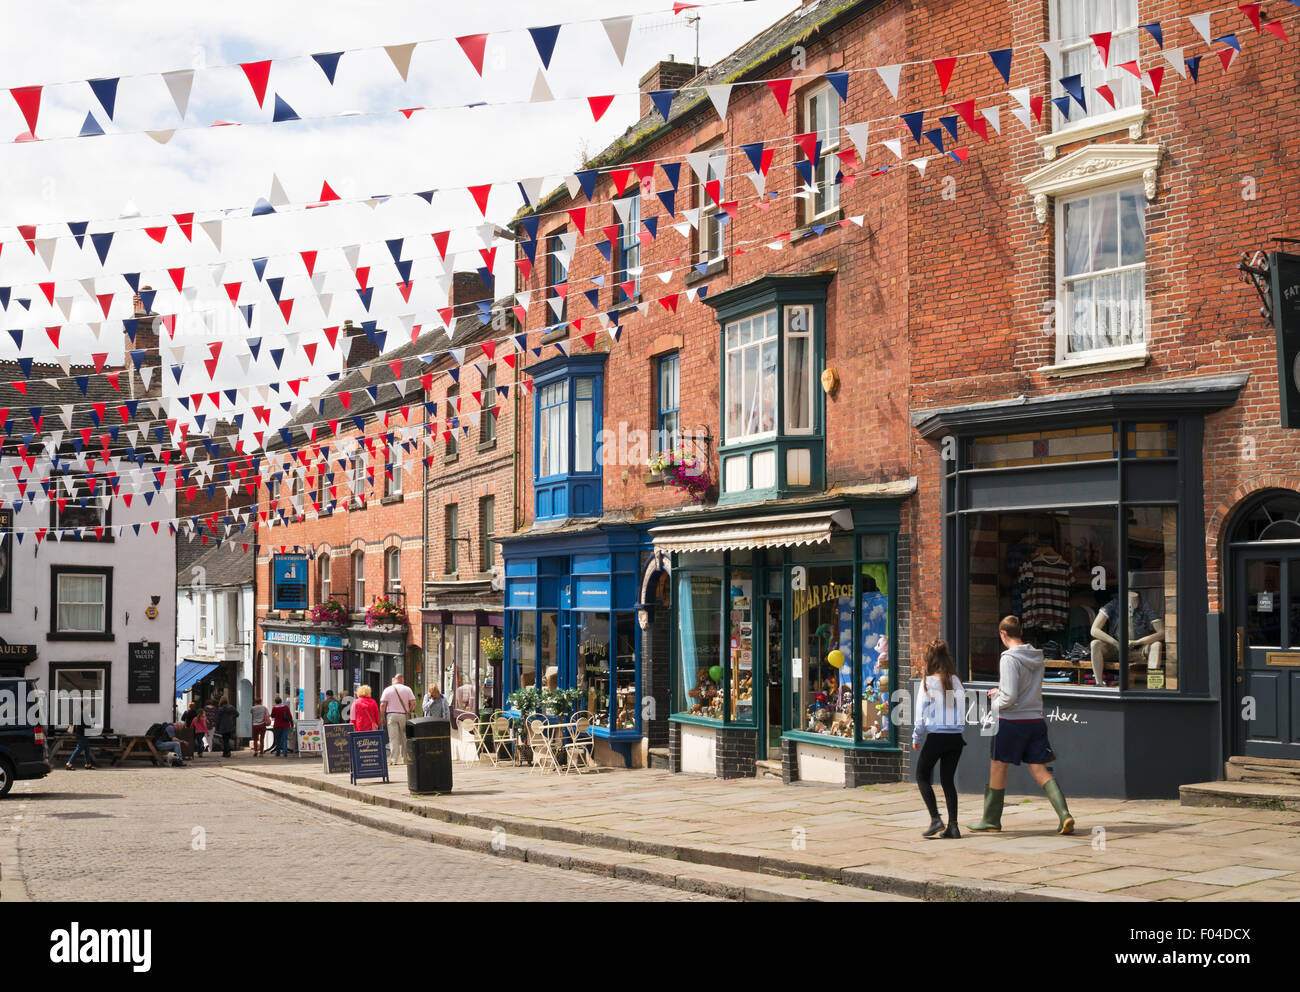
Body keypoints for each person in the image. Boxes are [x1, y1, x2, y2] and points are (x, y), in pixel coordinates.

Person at [969, 616, 1075, 835]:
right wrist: (1001, 692)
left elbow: (1009, 697)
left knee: (998, 767)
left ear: (1003, 634)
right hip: (1035, 720)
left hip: (1011, 723)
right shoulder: (1036, 656)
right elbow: (1022, 690)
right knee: (1039, 769)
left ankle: (991, 820)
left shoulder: (1008, 658)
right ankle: (1065, 815)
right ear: (1021, 632)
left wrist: (995, 704)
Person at [911, 638, 966, 839]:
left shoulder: (928, 682)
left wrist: (916, 737)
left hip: (936, 737)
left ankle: (935, 819)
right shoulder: (955, 681)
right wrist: (957, 727)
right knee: (947, 781)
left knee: (922, 776)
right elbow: (960, 709)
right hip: (955, 738)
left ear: (929, 659)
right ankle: (953, 826)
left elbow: (920, 716)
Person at [379, 674, 416, 764]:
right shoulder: (407, 689)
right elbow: (413, 703)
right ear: (402, 680)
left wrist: (382, 717)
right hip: (403, 715)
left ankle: (394, 759)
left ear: (395, 680)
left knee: (393, 738)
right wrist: (409, 710)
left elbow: (382, 705)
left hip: (391, 715)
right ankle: (405, 758)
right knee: (404, 737)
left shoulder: (388, 689)